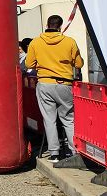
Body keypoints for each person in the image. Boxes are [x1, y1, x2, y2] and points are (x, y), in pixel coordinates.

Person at [25, 15, 83, 160]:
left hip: (45, 83)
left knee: (49, 119)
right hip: (65, 84)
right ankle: (74, 152)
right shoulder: (69, 42)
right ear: (60, 26)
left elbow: (29, 64)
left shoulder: (36, 42)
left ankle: (54, 153)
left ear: (47, 24)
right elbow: (79, 64)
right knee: (68, 119)